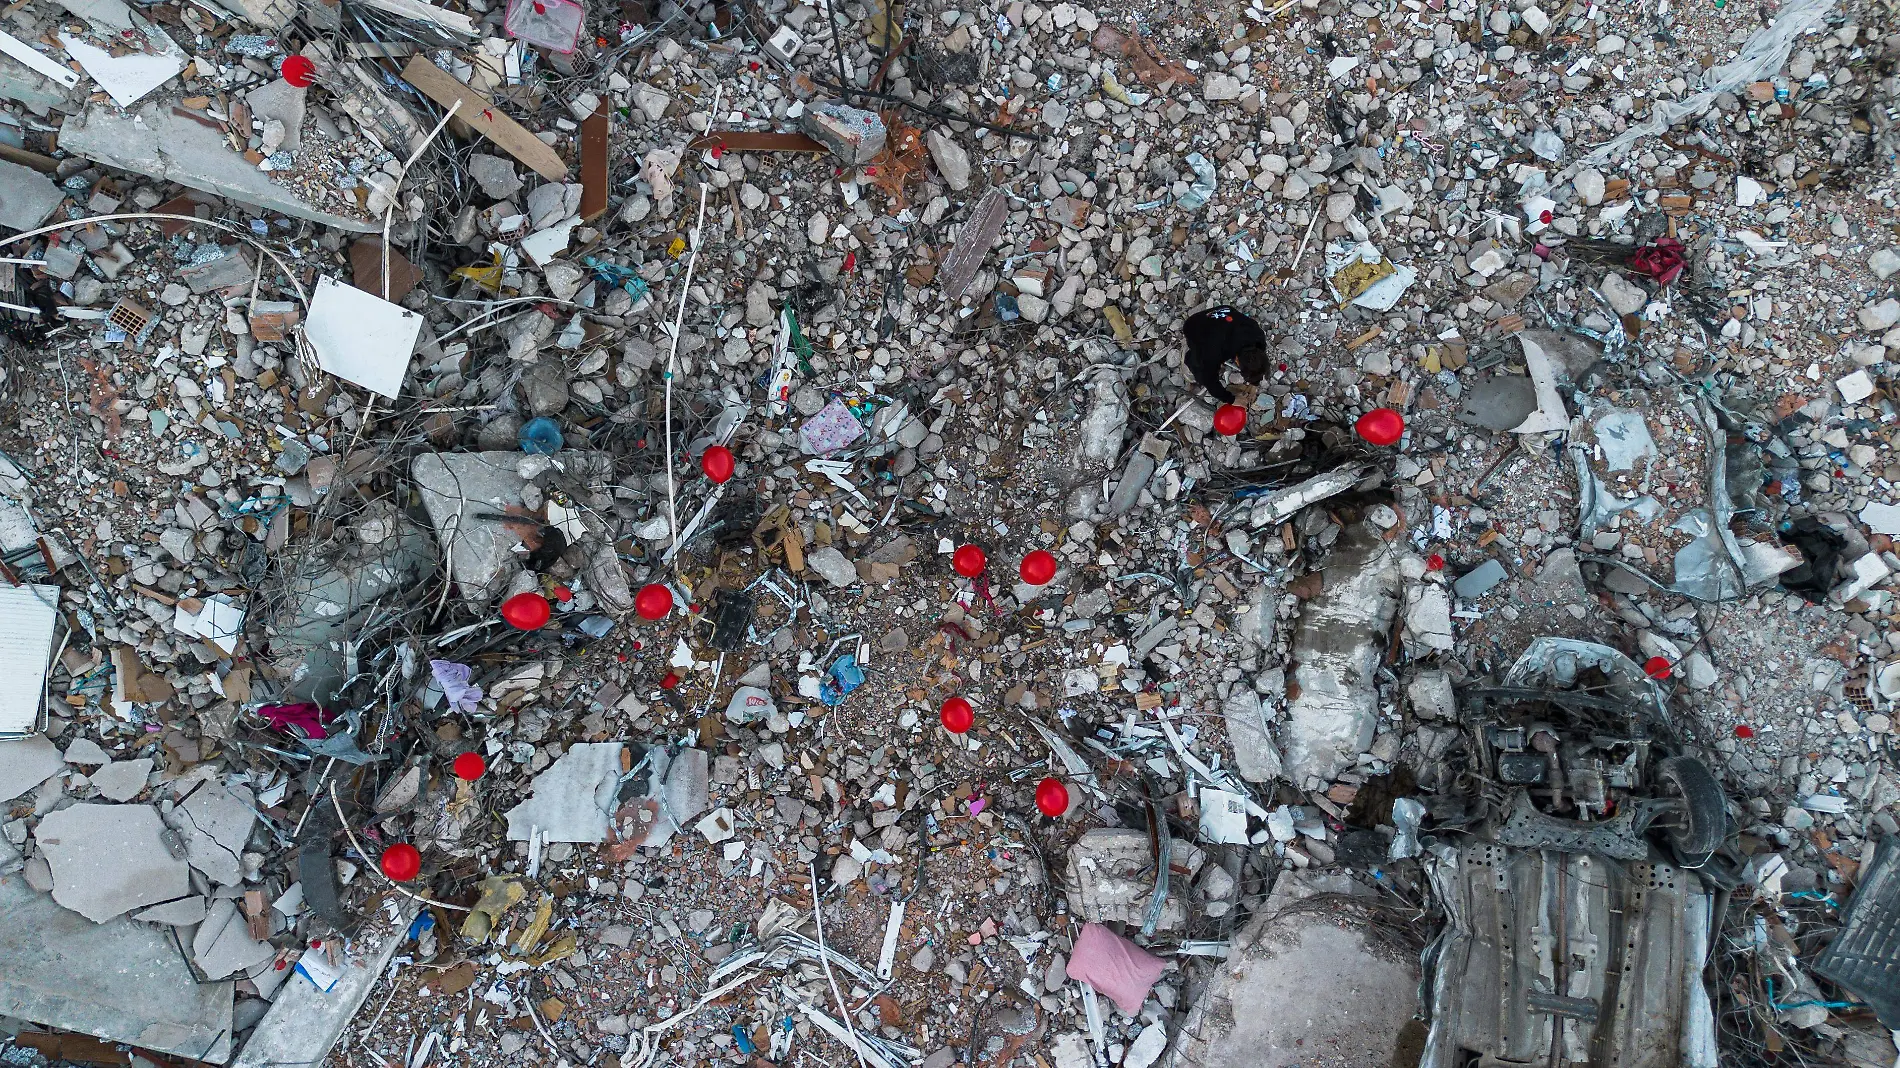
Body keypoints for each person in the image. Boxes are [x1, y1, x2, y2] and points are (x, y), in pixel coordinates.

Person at [1183, 305, 1267, 405]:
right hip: (1194, 325)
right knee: (1200, 368)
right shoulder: (1214, 351)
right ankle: (1188, 356)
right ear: (1237, 361)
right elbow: (1209, 380)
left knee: (1213, 357)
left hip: (1226, 312)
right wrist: (1231, 399)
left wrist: (1254, 384)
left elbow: (1259, 362)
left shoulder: (1258, 336)